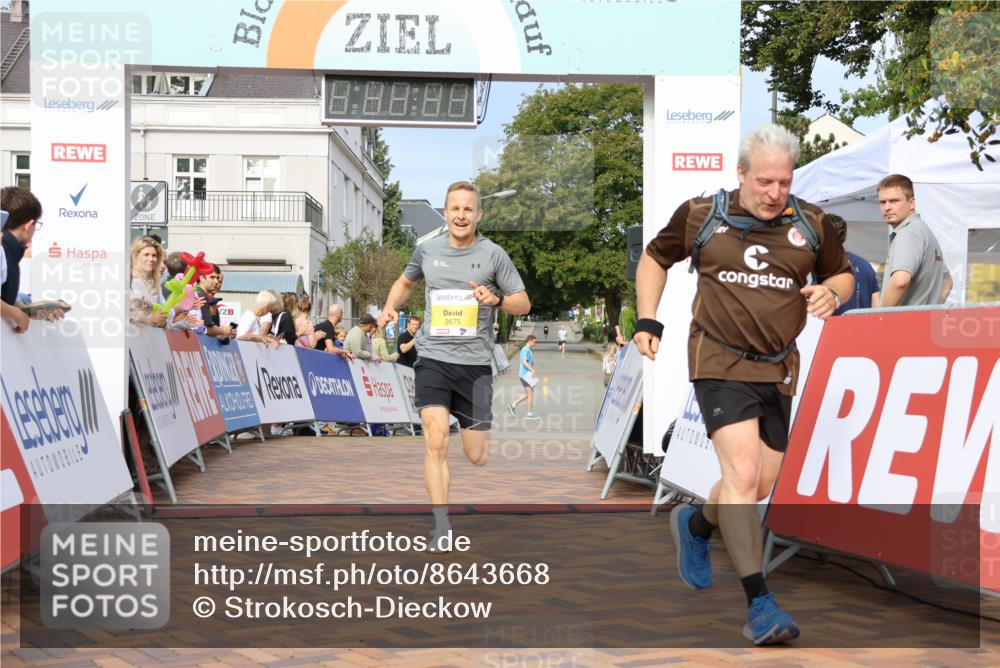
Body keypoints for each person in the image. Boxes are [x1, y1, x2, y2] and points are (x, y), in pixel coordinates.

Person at [634, 124, 853, 646]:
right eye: (764, 182)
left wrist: (832, 293)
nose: (775, 193)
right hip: (718, 359)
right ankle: (760, 603)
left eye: (784, 181)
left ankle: (696, 525)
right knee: (743, 471)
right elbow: (654, 258)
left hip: (777, 367)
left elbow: (842, 274)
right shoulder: (702, 214)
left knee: (756, 486)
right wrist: (647, 319)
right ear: (741, 174)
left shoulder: (812, 223)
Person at [379, 180, 530, 549]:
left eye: (468, 209)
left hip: (474, 365)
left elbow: (523, 304)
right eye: (454, 208)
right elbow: (405, 281)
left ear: (479, 214)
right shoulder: (427, 250)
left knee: (476, 456)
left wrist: (494, 300)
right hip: (432, 358)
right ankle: (442, 526)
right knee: (434, 439)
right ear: (445, 213)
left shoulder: (494, 255)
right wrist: (389, 306)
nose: (461, 215)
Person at [877, 173, 953, 307]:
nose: (887, 207)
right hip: (925, 323)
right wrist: (929, 310)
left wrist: (881, 316)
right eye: (883, 202)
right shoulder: (924, 231)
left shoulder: (908, 232)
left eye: (894, 201)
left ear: (911, 203)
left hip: (905, 324)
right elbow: (947, 282)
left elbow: (900, 281)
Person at [2, 187, 65, 333]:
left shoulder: (9, 250)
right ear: (29, 225)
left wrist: (27, 309)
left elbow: (4, 297)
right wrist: (17, 314)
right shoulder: (4, 250)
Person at [129, 236, 193, 329]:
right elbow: (124, 313)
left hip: (150, 340)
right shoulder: (128, 280)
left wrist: (166, 324)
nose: (151, 259)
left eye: (154, 255)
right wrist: (150, 319)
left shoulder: (154, 284)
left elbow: (163, 312)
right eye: (146, 255)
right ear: (135, 257)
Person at [826, 214, 881, 313]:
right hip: (864, 326)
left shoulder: (824, 267)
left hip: (833, 327)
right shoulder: (865, 265)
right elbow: (877, 305)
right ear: (844, 235)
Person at [194, 264, 234, 340]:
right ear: (202, 278)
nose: (216, 281)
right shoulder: (200, 296)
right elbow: (206, 330)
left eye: (217, 278)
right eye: (212, 277)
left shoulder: (199, 294)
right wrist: (222, 330)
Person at [507, 335, 540, 419]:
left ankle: (513, 405)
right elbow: (524, 362)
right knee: (530, 394)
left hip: (526, 374)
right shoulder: (525, 350)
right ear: (530, 340)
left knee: (527, 394)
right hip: (525, 374)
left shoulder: (528, 350)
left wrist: (532, 368)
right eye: (534, 342)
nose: (535, 343)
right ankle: (529, 414)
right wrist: (532, 370)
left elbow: (530, 363)